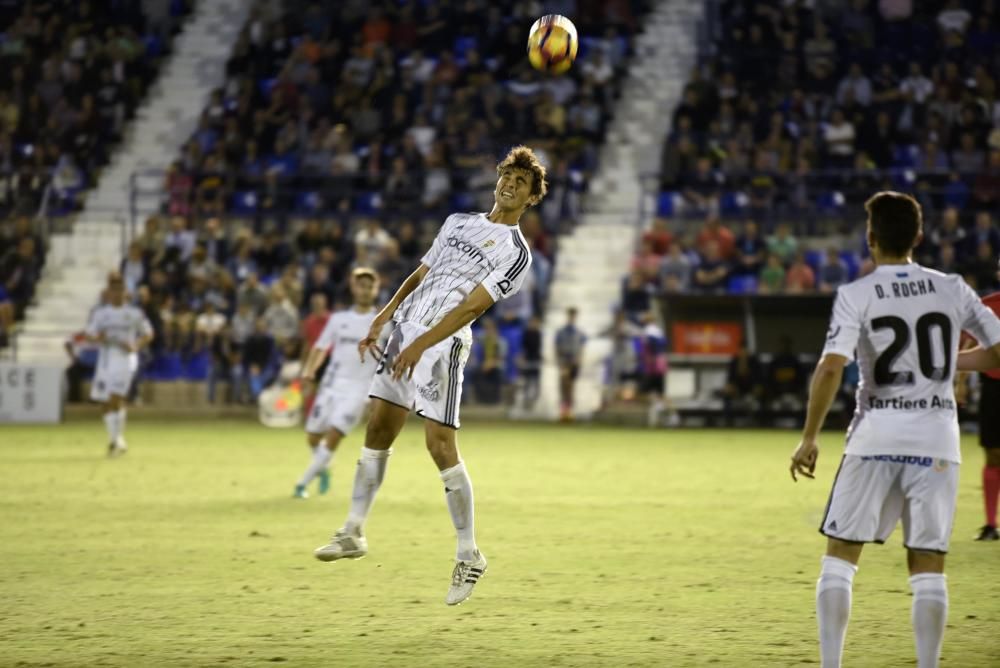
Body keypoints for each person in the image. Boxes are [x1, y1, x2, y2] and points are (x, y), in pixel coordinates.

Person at [312, 146, 546, 606]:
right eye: (507, 175)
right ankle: (353, 531)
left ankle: (469, 553)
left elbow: (473, 306)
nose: (510, 184)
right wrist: (384, 316)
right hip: (405, 333)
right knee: (378, 429)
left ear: (532, 198)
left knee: (439, 446)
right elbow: (421, 273)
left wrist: (422, 344)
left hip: (444, 345)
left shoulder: (517, 253)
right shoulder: (457, 221)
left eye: (521, 182)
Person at [789, 192, 1000, 668]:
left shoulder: (857, 294)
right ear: (919, 238)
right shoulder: (953, 288)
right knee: (928, 562)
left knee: (841, 555)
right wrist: (950, 366)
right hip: (937, 441)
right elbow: (997, 352)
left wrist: (809, 437)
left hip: (875, 436)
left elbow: (830, 368)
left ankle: (831, 665)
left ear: (870, 239)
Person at [294, 268, 381, 499]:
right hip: (330, 387)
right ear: (354, 288)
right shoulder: (338, 319)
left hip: (359, 391)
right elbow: (321, 347)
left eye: (369, 286)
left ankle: (301, 484)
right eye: (361, 285)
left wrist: (377, 395)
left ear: (376, 290)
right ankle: (323, 469)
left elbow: (386, 361)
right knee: (313, 436)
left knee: (333, 435)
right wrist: (309, 372)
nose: (365, 290)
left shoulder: (383, 323)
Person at [84, 273, 153, 457]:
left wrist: (136, 345)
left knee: (115, 398)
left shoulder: (133, 313)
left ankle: (114, 443)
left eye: (119, 290)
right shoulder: (101, 313)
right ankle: (117, 439)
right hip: (105, 360)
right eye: (113, 290)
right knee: (105, 403)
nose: (116, 294)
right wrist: (98, 337)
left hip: (125, 359)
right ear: (108, 292)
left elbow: (148, 333)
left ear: (125, 292)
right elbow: (89, 333)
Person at [555, 307, 586, 421]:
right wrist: (560, 362)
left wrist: (578, 360)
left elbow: (581, 348)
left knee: (571, 387)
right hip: (564, 361)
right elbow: (557, 348)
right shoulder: (561, 332)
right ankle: (564, 411)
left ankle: (569, 411)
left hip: (574, 362)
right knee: (564, 385)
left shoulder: (579, 333)